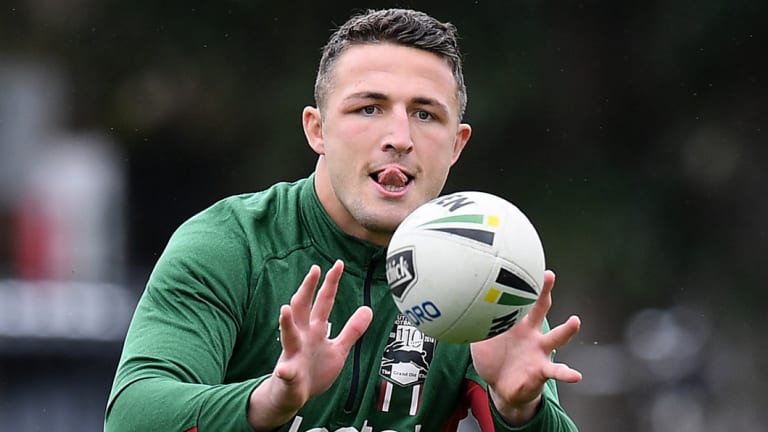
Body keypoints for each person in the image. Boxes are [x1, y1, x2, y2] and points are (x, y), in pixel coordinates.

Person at [104, 8, 582, 432]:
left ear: (457, 144)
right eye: (368, 108)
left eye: (425, 114)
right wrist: (268, 401)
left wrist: (522, 410)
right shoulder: (230, 244)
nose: (399, 137)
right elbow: (132, 417)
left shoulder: (491, 264)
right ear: (317, 129)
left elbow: (526, 409)